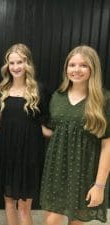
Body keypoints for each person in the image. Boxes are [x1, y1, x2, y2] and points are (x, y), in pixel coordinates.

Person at [40, 45, 110, 225]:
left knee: (77, 222)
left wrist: (99, 185)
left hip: (85, 171)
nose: (76, 70)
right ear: (66, 68)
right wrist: (32, 126)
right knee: (51, 221)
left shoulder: (103, 100)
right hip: (56, 171)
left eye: (83, 65)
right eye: (72, 65)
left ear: (92, 68)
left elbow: (107, 145)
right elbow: (55, 132)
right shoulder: (58, 96)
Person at [0, 43, 49, 225]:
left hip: (28, 154)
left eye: (20, 62)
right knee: (9, 203)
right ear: (7, 66)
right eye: (12, 63)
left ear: (28, 64)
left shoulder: (39, 90)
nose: (16, 67)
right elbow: (3, 123)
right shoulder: (3, 90)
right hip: (7, 152)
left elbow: (46, 123)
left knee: (24, 208)